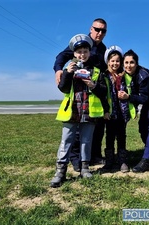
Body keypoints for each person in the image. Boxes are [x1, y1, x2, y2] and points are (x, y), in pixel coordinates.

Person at [50, 34, 109, 188]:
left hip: (89, 113)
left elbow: (103, 91)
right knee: (66, 142)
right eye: (79, 52)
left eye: (85, 51)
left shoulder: (96, 71)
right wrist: (67, 73)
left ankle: (84, 168)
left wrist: (93, 85)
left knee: (86, 142)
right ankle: (60, 172)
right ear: (74, 54)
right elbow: (62, 88)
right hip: (71, 112)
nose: (82, 55)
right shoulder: (69, 68)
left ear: (89, 53)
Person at [101, 46, 136, 173]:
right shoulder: (104, 76)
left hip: (122, 112)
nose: (115, 63)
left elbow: (132, 91)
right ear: (108, 62)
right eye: (112, 60)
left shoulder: (125, 76)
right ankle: (109, 161)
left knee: (122, 136)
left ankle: (122, 161)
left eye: (117, 61)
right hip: (110, 112)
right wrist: (105, 111)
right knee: (109, 137)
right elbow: (102, 95)